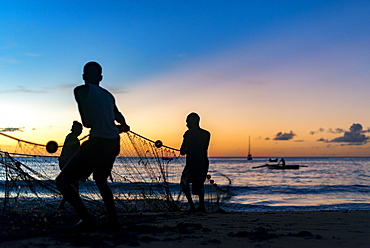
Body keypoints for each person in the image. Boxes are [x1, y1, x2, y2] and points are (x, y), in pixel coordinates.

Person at [56, 61, 130, 230]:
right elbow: (119, 117)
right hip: (113, 143)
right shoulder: (109, 96)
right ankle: (114, 221)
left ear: (83, 77)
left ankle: (87, 219)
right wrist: (122, 126)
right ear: (101, 77)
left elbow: (87, 122)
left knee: (62, 182)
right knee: (101, 181)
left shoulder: (80, 91)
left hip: (97, 142)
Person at [180, 112, 211, 212]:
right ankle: (201, 206)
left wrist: (188, 148)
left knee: (184, 182)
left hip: (192, 163)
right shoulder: (206, 134)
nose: (186, 125)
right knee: (199, 183)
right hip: (203, 162)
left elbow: (182, 151)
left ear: (192, 122)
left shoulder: (188, 134)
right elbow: (203, 148)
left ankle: (192, 206)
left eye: (187, 122)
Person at [57, 121, 83, 210]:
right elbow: (75, 154)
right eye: (80, 129)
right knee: (74, 185)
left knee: (71, 185)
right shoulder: (73, 139)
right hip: (68, 164)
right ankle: (76, 206)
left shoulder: (69, 136)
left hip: (64, 163)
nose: (81, 131)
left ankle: (63, 204)